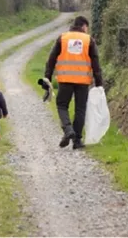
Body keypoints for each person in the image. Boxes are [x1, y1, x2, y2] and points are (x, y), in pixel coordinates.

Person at [44, 15, 103, 150]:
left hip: (65, 80)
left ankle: (68, 130)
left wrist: (47, 77)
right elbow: (96, 63)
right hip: (83, 81)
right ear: (83, 26)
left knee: (61, 105)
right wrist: (99, 83)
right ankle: (77, 140)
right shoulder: (89, 40)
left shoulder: (63, 38)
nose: (87, 30)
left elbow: (51, 59)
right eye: (87, 28)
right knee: (80, 109)